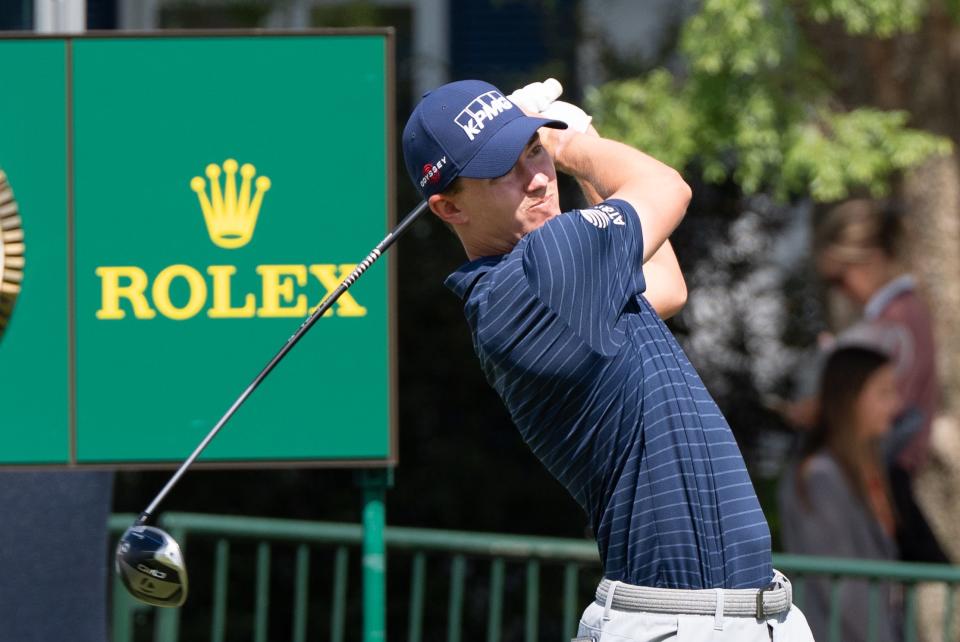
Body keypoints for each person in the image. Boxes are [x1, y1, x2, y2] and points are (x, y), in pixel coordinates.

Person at [402, 79, 814, 640]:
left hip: (745, 614)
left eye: (533, 150)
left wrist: (566, 148)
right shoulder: (539, 274)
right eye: (504, 171)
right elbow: (667, 187)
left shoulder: (557, 279)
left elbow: (667, 286)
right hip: (681, 622)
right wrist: (575, 145)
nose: (538, 178)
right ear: (449, 207)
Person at [813, 198, 948, 563]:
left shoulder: (895, 323)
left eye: (839, 278)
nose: (840, 291)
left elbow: (886, 407)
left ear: (869, 260)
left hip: (887, 471)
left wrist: (826, 399)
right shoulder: (902, 316)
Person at [778, 346, 903, 642]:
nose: (895, 404)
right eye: (884, 393)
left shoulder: (863, 469)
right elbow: (843, 589)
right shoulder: (820, 476)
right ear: (850, 398)